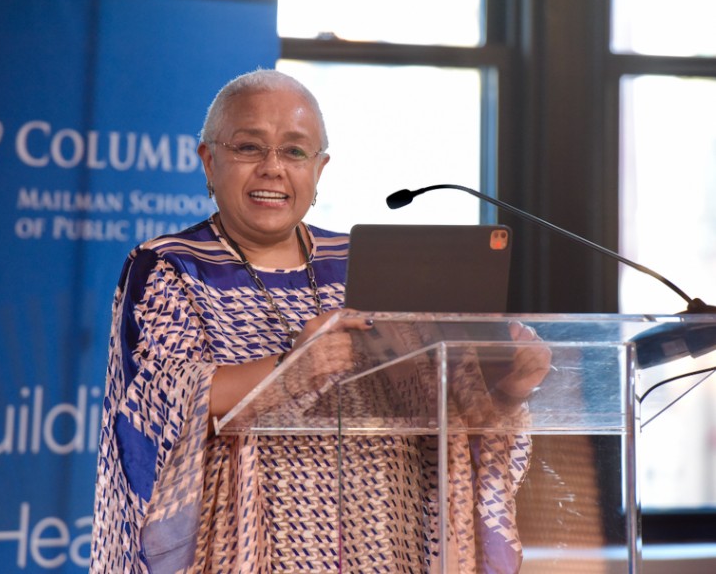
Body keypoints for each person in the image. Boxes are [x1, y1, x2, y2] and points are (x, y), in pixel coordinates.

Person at [90, 69, 551, 573]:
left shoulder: (362, 264)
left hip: (381, 540)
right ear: (209, 160)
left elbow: (435, 416)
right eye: (248, 147)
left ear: (319, 169)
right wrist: (291, 368)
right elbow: (157, 405)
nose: (272, 168)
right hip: (244, 549)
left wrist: (505, 384)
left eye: (294, 151)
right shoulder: (168, 266)